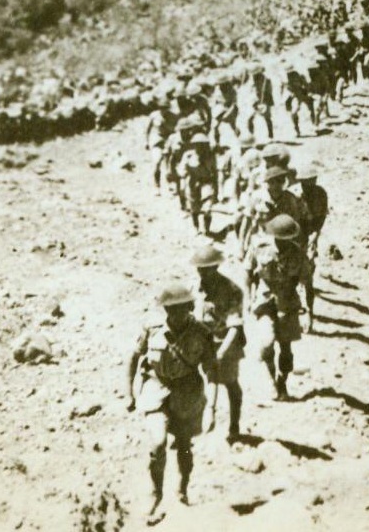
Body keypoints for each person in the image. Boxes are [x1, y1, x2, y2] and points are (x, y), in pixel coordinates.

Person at [127, 279, 215, 525]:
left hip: (187, 392)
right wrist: (129, 393)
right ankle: (156, 493)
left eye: (181, 308)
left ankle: (183, 488)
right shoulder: (152, 328)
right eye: (170, 309)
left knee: (185, 445)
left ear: (189, 307)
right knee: (157, 444)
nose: (175, 314)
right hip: (156, 389)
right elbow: (134, 357)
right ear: (164, 310)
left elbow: (212, 370)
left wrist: (213, 409)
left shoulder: (202, 332)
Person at [192, 240, 245, 444]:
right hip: (198, 343)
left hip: (224, 342)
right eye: (199, 269)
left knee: (230, 383)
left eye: (206, 269)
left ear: (216, 267)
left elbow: (235, 326)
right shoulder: (194, 288)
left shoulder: (232, 290)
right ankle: (190, 428)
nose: (202, 273)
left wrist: (221, 353)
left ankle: (234, 425)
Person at [252, 214, 308, 401]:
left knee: (285, 348)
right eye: (279, 238)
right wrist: (248, 297)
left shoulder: (298, 254)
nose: (283, 242)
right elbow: (248, 271)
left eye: (287, 238)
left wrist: (308, 310)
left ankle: (282, 380)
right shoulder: (260, 248)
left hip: (288, 303)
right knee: (267, 343)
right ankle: (272, 380)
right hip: (265, 301)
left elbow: (306, 281)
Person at [292, 161, 329, 331]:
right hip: (293, 238)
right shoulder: (295, 196)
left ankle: (309, 315)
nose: (307, 184)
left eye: (310, 180)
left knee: (308, 278)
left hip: (309, 237)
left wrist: (315, 235)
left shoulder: (321, 194)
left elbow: (321, 218)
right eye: (304, 181)